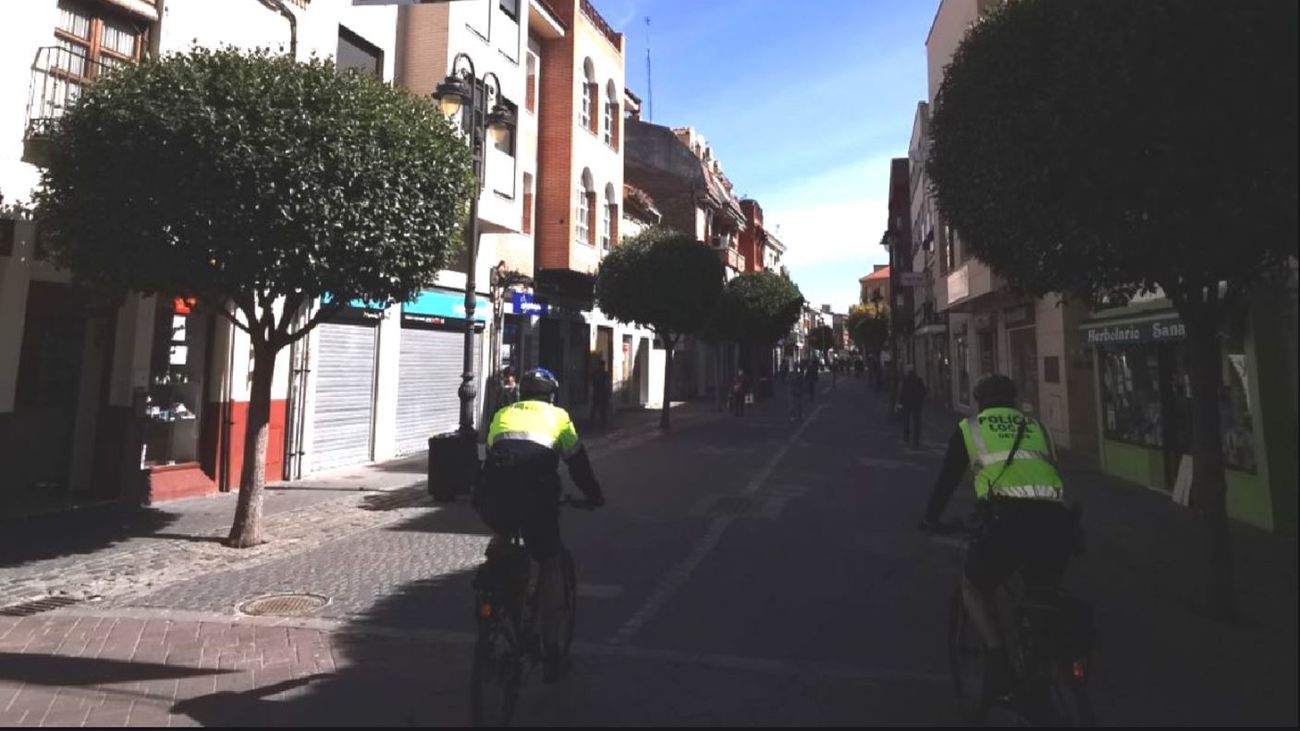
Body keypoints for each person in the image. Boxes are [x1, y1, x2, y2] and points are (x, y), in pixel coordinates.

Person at [919, 374, 1074, 699]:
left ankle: (999, 662)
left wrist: (931, 517)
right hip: (1058, 523)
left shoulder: (972, 428)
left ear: (979, 402)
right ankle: (1048, 666)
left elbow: (948, 479)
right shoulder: (1037, 427)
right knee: (1041, 592)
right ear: (1013, 400)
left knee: (974, 585)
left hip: (1007, 522)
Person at [475, 368, 606, 683]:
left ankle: (493, 599)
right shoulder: (558, 417)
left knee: (502, 539)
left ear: (522, 393)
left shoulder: (503, 414)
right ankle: (552, 651)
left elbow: (493, 457)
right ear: (551, 395)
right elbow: (577, 463)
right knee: (550, 562)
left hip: (494, 500)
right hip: (537, 503)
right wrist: (594, 495)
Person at [898, 367, 927, 447]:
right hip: (917, 405)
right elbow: (923, 392)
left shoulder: (905, 381)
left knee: (906, 421)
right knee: (917, 423)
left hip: (907, 404)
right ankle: (915, 441)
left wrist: (900, 404)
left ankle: (906, 437)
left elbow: (902, 393)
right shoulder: (918, 380)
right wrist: (920, 400)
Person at [589, 359, 611, 428]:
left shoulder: (604, 374)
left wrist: (608, 391)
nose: (602, 367)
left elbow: (607, 383)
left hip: (602, 393)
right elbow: (593, 382)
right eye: (601, 366)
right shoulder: (599, 374)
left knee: (601, 408)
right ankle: (594, 421)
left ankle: (601, 421)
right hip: (598, 392)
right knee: (596, 407)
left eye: (602, 366)